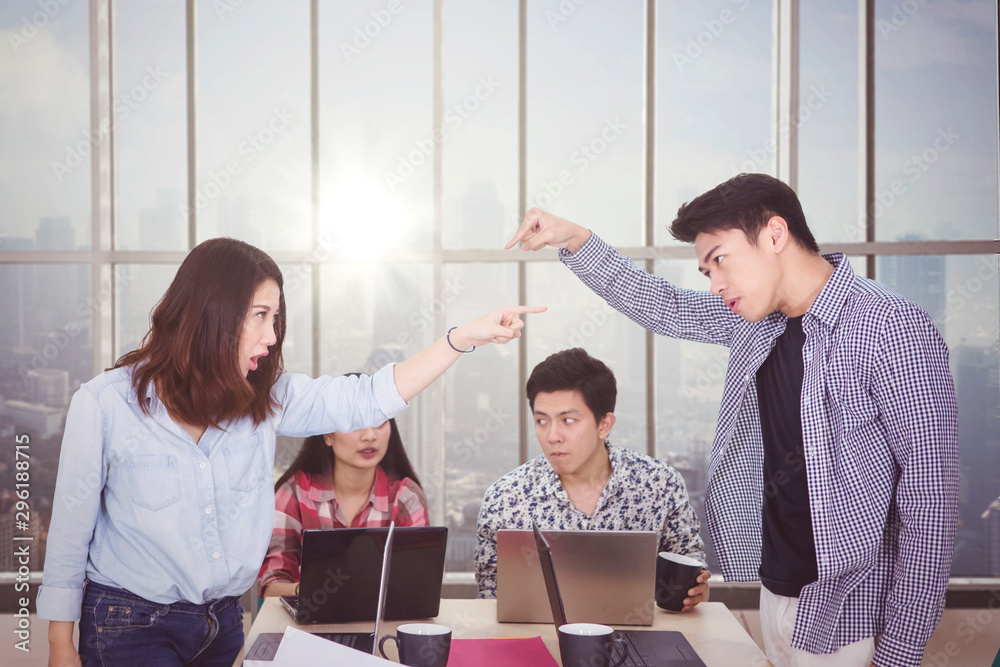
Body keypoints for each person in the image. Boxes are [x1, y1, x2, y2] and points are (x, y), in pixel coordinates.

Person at [506, 173, 959, 667]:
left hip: (852, 615)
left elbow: (929, 507)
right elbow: (665, 306)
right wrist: (574, 239)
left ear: (775, 234)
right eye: (706, 271)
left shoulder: (890, 327)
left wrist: (899, 654)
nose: (716, 283)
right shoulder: (756, 320)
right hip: (777, 597)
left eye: (720, 259)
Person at [38, 237, 544, 667]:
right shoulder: (105, 404)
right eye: (259, 315)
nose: (271, 335)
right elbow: (69, 533)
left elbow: (366, 396)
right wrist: (61, 645)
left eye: (276, 318)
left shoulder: (267, 399)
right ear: (211, 312)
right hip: (129, 624)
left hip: (222, 625)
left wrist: (461, 339)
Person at [474, 347, 708, 605]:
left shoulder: (660, 484)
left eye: (568, 420)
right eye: (542, 421)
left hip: (639, 639)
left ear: (604, 425)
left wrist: (693, 593)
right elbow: (490, 600)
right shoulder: (505, 497)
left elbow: (689, 567)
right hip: (533, 641)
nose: (553, 436)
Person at [257, 409, 428, 598]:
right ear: (328, 435)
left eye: (379, 422)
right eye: (355, 424)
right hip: (308, 622)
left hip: (385, 623)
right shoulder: (296, 492)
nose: (370, 436)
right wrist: (310, 592)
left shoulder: (405, 497)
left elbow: (419, 583)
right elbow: (272, 586)